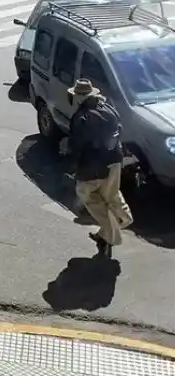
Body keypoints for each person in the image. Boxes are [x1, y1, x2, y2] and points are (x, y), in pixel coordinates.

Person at [67, 78, 134, 258]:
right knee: (111, 193)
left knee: (88, 197)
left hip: (93, 166)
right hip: (114, 160)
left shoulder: (81, 117)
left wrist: (74, 167)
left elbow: (77, 146)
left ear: (79, 97)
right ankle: (124, 216)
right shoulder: (109, 108)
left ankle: (110, 231)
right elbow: (119, 129)